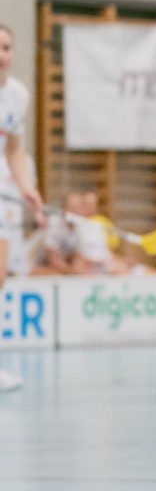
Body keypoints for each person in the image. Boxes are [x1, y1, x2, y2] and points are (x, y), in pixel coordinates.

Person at [0, 24, 44, 391]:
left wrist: (27, 188)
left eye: (6, 47)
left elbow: (13, 149)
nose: (1, 54)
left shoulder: (18, 96)